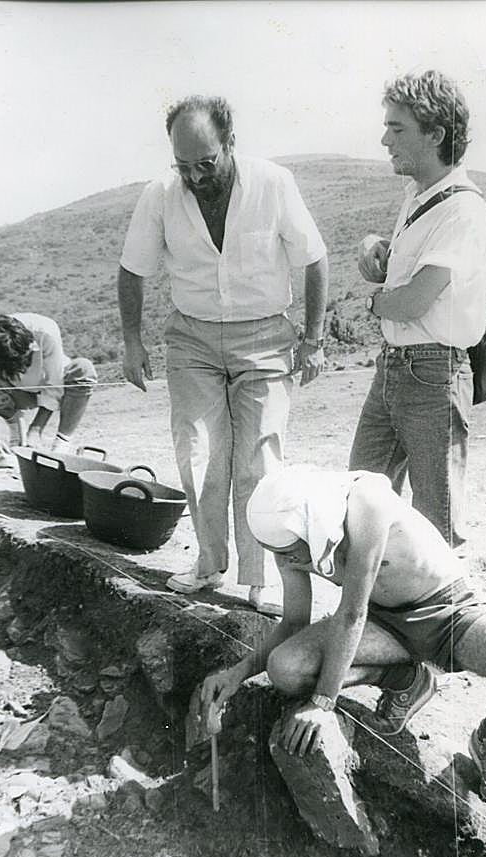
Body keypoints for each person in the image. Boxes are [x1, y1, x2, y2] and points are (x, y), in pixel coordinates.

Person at [201, 466, 486, 805]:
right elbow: (293, 622)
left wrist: (323, 702)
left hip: (449, 613)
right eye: (275, 551)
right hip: (383, 624)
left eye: (288, 550)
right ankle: (406, 679)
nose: (283, 559)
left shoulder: (366, 502)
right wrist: (236, 673)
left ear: (309, 524)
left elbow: (351, 613)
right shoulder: (288, 535)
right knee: (285, 668)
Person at [118, 95, 328, 610]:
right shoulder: (159, 195)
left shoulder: (274, 184)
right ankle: (209, 563)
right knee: (199, 453)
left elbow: (315, 259)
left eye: (205, 163)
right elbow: (133, 269)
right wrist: (132, 341)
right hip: (192, 337)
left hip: (264, 336)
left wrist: (314, 339)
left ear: (230, 143)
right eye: (183, 165)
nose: (194, 175)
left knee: (259, 458)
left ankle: (262, 578)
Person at [350, 70, 486, 549]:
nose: (384, 140)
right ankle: (379, 615)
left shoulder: (463, 210)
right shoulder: (420, 197)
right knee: (360, 498)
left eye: (398, 129)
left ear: (435, 134)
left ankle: (445, 619)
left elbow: (414, 300)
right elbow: (405, 275)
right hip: (397, 367)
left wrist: (374, 302)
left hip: (434, 370)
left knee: (437, 519)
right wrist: (376, 245)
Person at [0, 313, 97, 465]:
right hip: (15, 391)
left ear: (31, 346)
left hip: (56, 388)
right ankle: (16, 425)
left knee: (84, 368)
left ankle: (62, 444)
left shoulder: (45, 330)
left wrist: (36, 430)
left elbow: (55, 384)